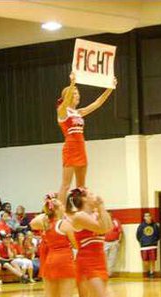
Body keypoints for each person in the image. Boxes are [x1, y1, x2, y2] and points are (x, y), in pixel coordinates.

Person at [57, 72, 117, 204]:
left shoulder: (78, 112)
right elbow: (65, 102)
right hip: (70, 147)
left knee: (81, 186)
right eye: (74, 93)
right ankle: (59, 213)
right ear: (67, 96)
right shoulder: (61, 111)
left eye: (77, 92)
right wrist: (72, 82)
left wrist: (110, 88)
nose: (77, 95)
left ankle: (80, 210)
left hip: (81, 147)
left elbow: (97, 103)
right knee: (66, 185)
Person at [67, 188, 113, 297]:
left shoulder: (95, 213)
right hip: (87, 261)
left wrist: (101, 207)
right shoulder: (79, 216)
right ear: (84, 199)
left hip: (100, 259)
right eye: (91, 194)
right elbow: (102, 229)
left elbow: (107, 228)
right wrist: (101, 207)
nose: (95, 195)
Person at [31, 194, 84, 297]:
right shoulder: (64, 224)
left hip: (49, 260)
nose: (63, 207)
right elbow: (75, 244)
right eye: (61, 205)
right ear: (58, 209)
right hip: (64, 260)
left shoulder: (45, 224)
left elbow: (33, 223)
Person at [136, 212, 159, 278]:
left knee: (153, 260)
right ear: (144, 218)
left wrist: (154, 241)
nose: (148, 217)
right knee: (145, 260)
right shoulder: (141, 226)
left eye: (149, 216)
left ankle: (152, 272)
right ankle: (148, 271)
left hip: (153, 245)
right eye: (146, 216)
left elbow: (158, 234)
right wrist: (141, 242)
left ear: (151, 217)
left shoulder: (155, 225)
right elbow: (138, 235)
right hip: (144, 246)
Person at [104, 212, 122, 277]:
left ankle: (109, 274)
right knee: (104, 258)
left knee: (112, 258)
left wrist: (118, 241)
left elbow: (120, 232)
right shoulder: (103, 222)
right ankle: (104, 273)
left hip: (114, 242)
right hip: (105, 242)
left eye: (110, 215)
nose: (109, 216)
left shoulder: (116, 221)